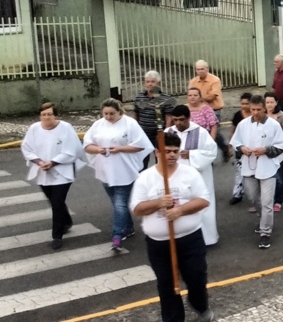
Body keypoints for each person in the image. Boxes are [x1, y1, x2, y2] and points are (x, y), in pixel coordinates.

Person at [129, 134, 214, 322]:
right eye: (167, 151)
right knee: (167, 284)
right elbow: (136, 209)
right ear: (157, 152)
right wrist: (159, 203)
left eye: (175, 151)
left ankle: (201, 307)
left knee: (196, 278)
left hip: (190, 239)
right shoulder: (145, 178)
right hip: (159, 244)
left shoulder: (190, 173)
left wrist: (180, 211)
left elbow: (203, 200)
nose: (172, 155)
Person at [84, 98, 154, 252]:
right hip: (105, 170)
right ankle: (128, 227)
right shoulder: (98, 125)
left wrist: (121, 148)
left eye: (112, 114)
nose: (108, 117)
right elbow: (87, 145)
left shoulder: (130, 124)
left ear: (119, 111)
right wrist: (99, 150)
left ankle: (117, 235)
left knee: (120, 203)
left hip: (124, 169)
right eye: (105, 114)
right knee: (116, 202)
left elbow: (141, 145)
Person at [21, 103, 85, 250]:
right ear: (40, 116)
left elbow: (71, 150)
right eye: (44, 114)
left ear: (55, 115)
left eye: (49, 114)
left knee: (57, 203)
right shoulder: (34, 128)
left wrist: (53, 162)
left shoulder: (66, 128)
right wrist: (38, 162)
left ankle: (57, 236)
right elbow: (26, 147)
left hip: (63, 171)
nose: (47, 117)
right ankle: (67, 221)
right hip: (42, 170)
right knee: (54, 200)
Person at [230, 94, 283, 249]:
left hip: (268, 168)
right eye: (253, 109)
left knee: (267, 201)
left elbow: (282, 146)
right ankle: (264, 219)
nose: (255, 113)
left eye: (259, 110)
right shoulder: (243, 124)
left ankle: (265, 233)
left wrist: (266, 150)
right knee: (254, 197)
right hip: (249, 167)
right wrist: (242, 149)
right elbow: (235, 142)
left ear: (265, 108)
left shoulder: (274, 125)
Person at [165, 105, 219, 246]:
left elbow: (211, 152)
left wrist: (191, 154)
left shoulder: (200, 132)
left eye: (181, 120)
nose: (178, 123)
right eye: (175, 120)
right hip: (175, 177)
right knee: (179, 205)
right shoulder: (168, 133)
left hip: (198, 176)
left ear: (189, 118)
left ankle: (206, 238)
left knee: (201, 205)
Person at [134, 70, 175, 169]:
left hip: (159, 133)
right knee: (142, 160)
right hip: (144, 134)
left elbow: (169, 118)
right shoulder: (139, 97)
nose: (150, 84)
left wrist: (166, 132)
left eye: (152, 81)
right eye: (147, 82)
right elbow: (136, 114)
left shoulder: (165, 98)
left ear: (158, 83)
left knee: (160, 158)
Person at [265, 93, 283, 213]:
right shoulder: (261, 115)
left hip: (279, 152)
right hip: (264, 151)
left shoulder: (282, 116)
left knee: (278, 176)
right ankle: (266, 199)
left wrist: (277, 137)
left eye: (271, 102)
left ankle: (278, 201)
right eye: (267, 102)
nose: (269, 105)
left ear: (276, 103)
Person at [227, 93, 252, 206]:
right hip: (240, 148)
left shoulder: (256, 114)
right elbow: (232, 131)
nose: (244, 106)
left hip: (253, 147)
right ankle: (237, 194)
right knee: (239, 171)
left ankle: (256, 195)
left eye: (247, 103)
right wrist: (231, 146)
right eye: (242, 103)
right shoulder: (238, 115)